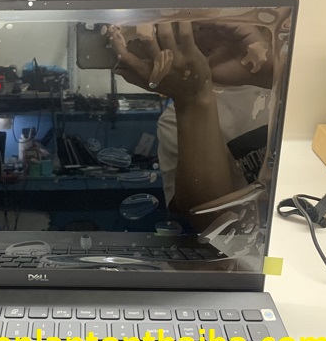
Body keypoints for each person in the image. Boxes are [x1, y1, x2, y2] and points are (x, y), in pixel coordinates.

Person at [107, 20, 274, 231]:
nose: (208, 31)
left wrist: (272, 71)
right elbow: (213, 225)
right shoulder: (173, 121)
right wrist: (193, 97)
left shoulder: (280, 79)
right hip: (256, 245)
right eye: (195, 24)